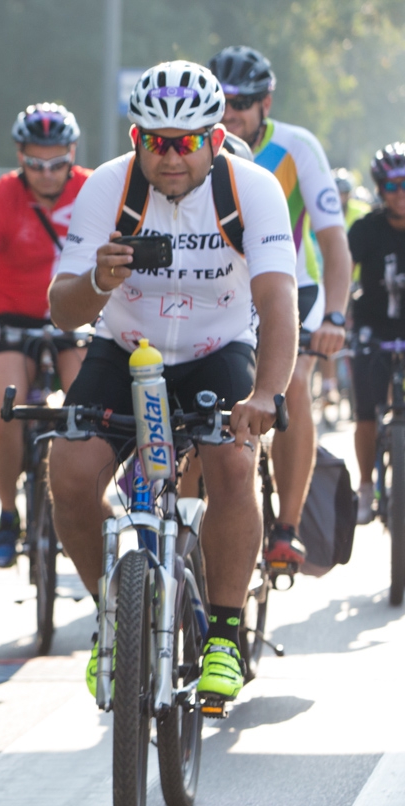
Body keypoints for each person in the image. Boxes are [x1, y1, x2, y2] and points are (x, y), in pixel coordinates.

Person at [47, 60, 297, 705]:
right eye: (155, 141)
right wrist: (98, 281)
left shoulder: (253, 189)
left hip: (218, 348)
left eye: (187, 141)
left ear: (215, 140)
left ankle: (222, 633)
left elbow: (276, 300)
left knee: (232, 466)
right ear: (137, 140)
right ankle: (115, 616)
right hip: (126, 348)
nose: (172, 156)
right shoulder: (109, 187)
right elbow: (62, 308)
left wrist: (266, 394)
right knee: (70, 475)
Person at [210, 45, 352, 572]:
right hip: (225, 292)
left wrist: (335, 316)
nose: (232, 113)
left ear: (266, 101)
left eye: (243, 102)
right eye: (223, 101)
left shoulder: (296, 147)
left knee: (290, 386)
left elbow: (333, 242)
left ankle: (287, 529)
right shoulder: (194, 147)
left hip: (295, 287)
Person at [0, 102, 92, 568]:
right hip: (13, 319)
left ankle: (94, 495)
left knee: (93, 406)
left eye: (57, 163)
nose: (47, 174)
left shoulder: (94, 190)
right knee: (2, 407)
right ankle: (9, 512)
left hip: (76, 318)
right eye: (36, 164)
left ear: (72, 153)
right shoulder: (2, 196)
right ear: (20, 157)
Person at [345, 145, 405, 523]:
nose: (401, 192)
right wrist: (333, 318)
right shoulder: (365, 229)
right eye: (393, 185)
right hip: (372, 329)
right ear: (380, 190)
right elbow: (342, 274)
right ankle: (366, 486)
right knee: (366, 414)